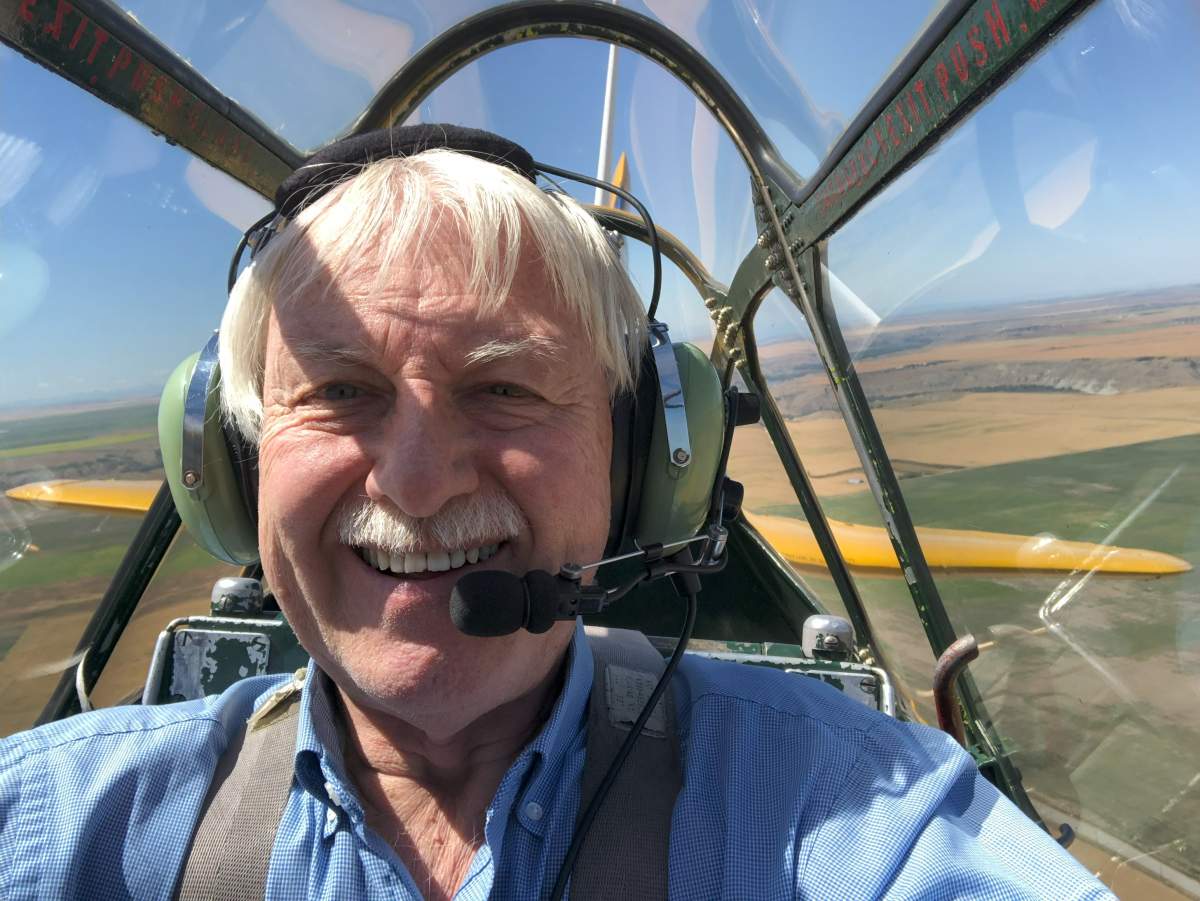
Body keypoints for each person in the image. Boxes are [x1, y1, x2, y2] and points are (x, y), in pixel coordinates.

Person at [0, 127, 1112, 901]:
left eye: (505, 387)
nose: (419, 481)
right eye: (340, 392)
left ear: (635, 468)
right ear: (231, 465)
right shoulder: (67, 823)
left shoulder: (849, 810)